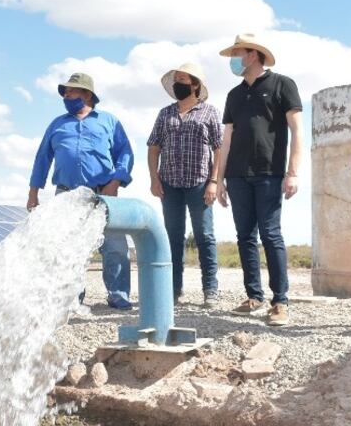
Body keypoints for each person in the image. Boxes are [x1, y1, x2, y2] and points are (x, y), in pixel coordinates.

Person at [216, 34, 303, 326]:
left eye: (237, 53)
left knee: (270, 234)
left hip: (269, 172)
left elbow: (297, 131)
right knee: (244, 237)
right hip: (237, 175)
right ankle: (253, 296)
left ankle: (280, 301)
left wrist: (293, 172)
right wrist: (219, 180)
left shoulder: (282, 84)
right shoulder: (234, 94)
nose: (234, 60)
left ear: (252, 55)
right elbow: (226, 139)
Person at [28, 72, 135, 310]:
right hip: (66, 195)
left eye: (71, 91)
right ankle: (72, 297)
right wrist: (33, 192)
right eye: (65, 92)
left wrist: (115, 182)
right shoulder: (57, 124)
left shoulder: (109, 121)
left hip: (103, 194)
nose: (66, 95)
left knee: (115, 246)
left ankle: (118, 295)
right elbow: (42, 158)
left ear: (87, 94)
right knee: (67, 247)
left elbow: (125, 154)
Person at [148, 62, 223, 307]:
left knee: (205, 236)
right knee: (173, 237)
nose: (178, 83)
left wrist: (214, 181)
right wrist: (154, 178)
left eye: (182, 79)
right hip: (169, 183)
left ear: (194, 84)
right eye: (176, 80)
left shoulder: (209, 112)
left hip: (199, 183)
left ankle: (210, 289)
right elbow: (154, 147)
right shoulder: (165, 114)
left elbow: (219, 148)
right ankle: (174, 289)